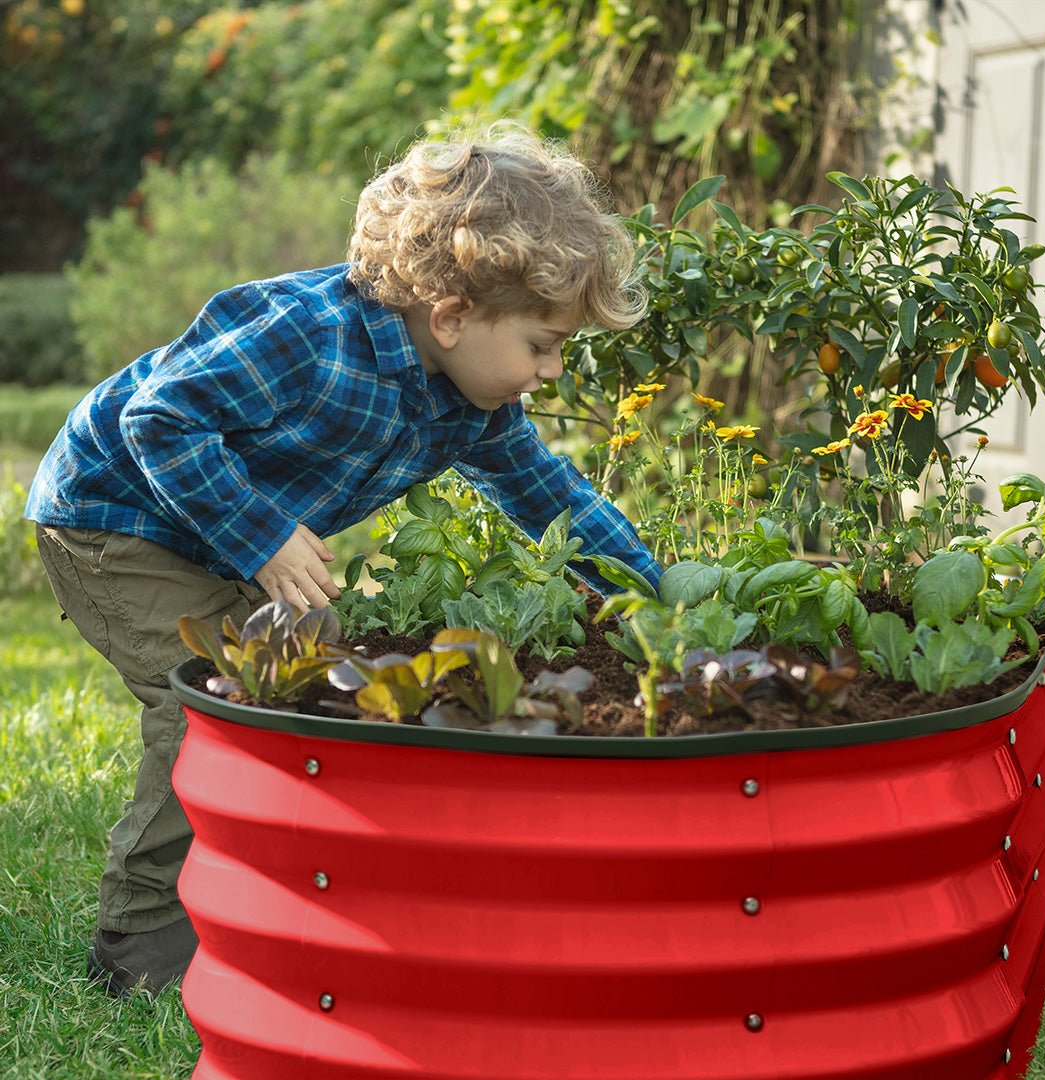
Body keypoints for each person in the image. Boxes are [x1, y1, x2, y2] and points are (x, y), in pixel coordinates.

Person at [25, 124, 664, 997]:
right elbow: (159, 422)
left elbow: (552, 499)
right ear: (451, 316)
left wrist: (654, 595)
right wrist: (262, 536)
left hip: (210, 522)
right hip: (112, 516)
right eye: (542, 345)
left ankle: (272, 892)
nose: (549, 372)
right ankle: (136, 953)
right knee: (213, 700)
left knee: (306, 664)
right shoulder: (309, 335)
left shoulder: (469, 403)